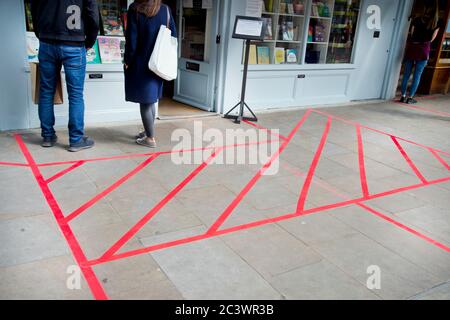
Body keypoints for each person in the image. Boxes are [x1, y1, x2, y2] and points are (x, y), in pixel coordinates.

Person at [31, 0, 99, 152]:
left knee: (46, 91)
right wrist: (89, 41)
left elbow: (34, 10)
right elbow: (93, 16)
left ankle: (47, 136)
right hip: (74, 44)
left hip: (47, 42)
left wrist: (40, 34)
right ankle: (76, 140)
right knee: (75, 95)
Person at [124, 0, 177, 148]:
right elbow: (173, 34)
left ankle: (150, 138)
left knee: (145, 103)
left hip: (141, 63)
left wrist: (127, 60)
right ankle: (149, 131)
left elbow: (132, 41)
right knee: (151, 100)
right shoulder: (165, 9)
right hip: (158, 62)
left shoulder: (135, 9)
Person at [400, 1, 440, 104]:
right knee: (417, 76)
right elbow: (431, 39)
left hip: (412, 48)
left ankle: (403, 96)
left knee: (406, 74)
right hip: (423, 50)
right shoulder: (436, 23)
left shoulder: (417, 20)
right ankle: (410, 98)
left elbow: (412, 33)